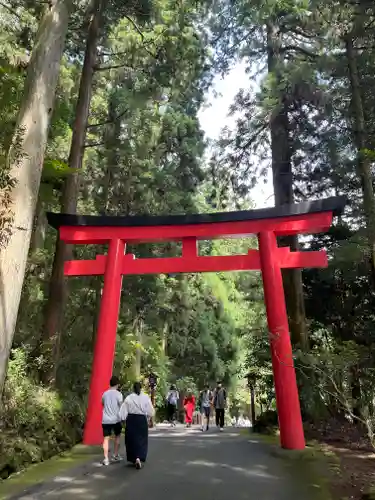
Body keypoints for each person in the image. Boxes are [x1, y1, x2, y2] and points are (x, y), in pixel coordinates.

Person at [119, 381, 154, 470]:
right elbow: (150, 411)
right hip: (142, 419)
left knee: (131, 439)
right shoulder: (145, 398)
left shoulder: (129, 398)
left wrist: (122, 419)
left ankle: (134, 458)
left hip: (131, 419)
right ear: (141, 388)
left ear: (133, 389)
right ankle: (139, 457)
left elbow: (123, 410)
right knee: (141, 439)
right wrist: (150, 418)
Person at [101, 375, 123, 466]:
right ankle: (115, 454)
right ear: (117, 384)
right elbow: (121, 406)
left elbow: (102, 403)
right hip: (116, 419)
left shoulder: (105, 394)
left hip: (106, 419)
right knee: (117, 436)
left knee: (106, 439)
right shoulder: (119, 394)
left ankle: (106, 459)